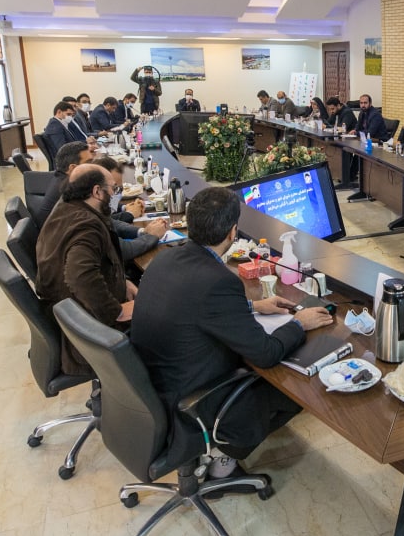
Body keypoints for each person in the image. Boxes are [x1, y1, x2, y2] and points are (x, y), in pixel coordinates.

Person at [131, 187, 334, 480]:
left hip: (152, 387)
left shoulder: (166, 258)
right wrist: (299, 323)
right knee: (294, 387)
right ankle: (224, 458)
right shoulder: (219, 281)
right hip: (189, 403)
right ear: (232, 232)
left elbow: (192, 305)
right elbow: (266, 353)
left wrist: (253, 306)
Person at [34, 165, 135, 376]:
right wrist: (116, 311)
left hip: (72, 321)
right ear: (97, 192)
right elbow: (78, 276)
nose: (115, 195)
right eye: (113, 189)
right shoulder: (87, 226)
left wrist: (121, 281)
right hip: (88, 337)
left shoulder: (65, 210)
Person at [31, 141, 94, 228]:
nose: (94, 166)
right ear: (73, 168)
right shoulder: (71, 189)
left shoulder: (61, 177)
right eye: (89, 162)